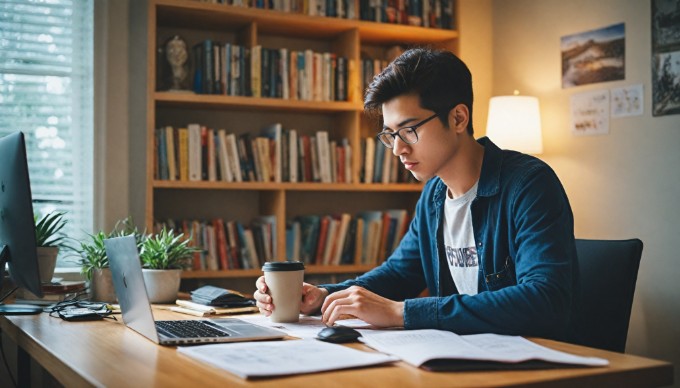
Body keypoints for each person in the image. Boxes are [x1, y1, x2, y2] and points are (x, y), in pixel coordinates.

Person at [254, 48, 578, 341]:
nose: (398, 148)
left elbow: (545, 300)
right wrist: (324, 296)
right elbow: (399, 274)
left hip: (530, 362)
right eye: (390, 134)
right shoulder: (435, 195)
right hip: (464, 357)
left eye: (409, 130)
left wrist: (401, 313)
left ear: (458, 118)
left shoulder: (529, 185)